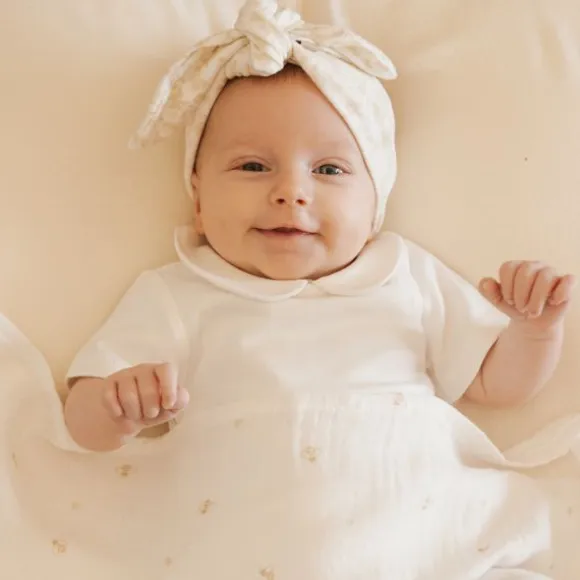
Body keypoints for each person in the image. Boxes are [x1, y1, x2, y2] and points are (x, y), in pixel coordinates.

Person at [58, 0, 575, 577]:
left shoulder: (403, 273)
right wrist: (116, 406)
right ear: (198, 200)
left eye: (328, 170)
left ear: (374, 205)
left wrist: (535, 329)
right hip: (246, 543)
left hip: (420, 531)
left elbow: (497, 385)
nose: (291, 191)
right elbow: (82, 422)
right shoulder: (180, 292)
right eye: (253, 167)